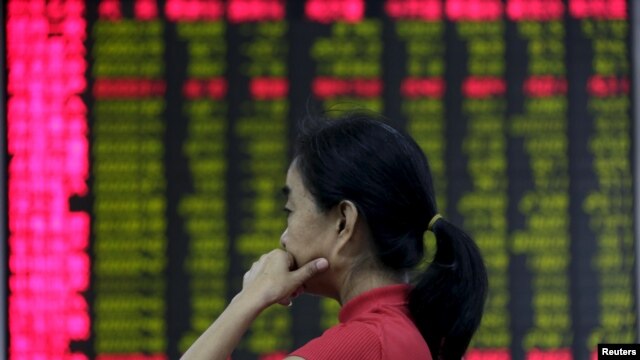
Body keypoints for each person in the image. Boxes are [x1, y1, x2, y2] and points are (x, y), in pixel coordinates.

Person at [181, 113, 488, 360]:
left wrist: (248, 299)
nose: (283, 238)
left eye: (290, 210)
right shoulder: (403, 330)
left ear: (344, 223)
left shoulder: (364, 343)